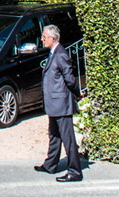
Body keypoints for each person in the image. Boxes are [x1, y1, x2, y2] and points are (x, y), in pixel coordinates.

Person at [34, 24, 83, 183]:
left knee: (68, 140)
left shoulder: (60, 55)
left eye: (44, 37)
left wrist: (78, 93)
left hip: (61, 104)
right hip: (54, 104)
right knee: (54, 136)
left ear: (53, 38)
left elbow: (69, 79)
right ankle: (50, 165)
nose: (42, 39)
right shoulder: (53, 53)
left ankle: (75, 171)